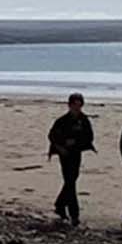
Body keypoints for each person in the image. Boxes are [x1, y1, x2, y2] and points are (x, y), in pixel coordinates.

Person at [46, 93, 95, 225]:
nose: (77, 108)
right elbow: (52, 136)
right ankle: (74, 214)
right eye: (74, 105)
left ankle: (60, 204)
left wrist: (76, 143)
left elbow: (89, 137)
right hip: (64, 154)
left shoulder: (84, 120)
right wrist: (60, 147)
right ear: (69, 105)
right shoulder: (62, 120)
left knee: (71, 180)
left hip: (76, 153)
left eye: (79, 105)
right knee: (70, 181)